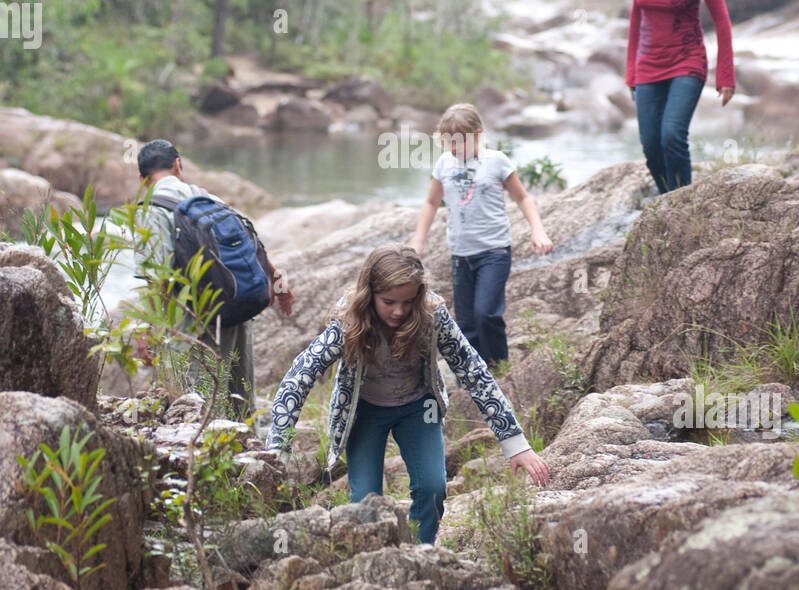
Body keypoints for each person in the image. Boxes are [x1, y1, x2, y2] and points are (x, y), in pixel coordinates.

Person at [266, 245, 551, 544]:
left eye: (408, 301)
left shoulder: (432, 315)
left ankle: (422, 552)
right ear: (369, 294)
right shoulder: (348, 321)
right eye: (388, 302)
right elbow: (299, 376)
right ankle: (373, 558)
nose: (399, 311)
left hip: (419, 408)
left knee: (433, 488)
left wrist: (514, 442)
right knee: (366, 502)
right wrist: (278, 447)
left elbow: (472, 371)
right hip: (364, 412)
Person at [133, 139, 294, 421]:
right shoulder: (207, 198)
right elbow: (250, 238)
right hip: (236, 306)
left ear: (142, 179)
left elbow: (156, 275)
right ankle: (253, 459)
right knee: (240, 396)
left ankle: (213, 457)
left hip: (196, 318)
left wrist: (147, 330)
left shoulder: (151, 209)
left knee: (200, 402)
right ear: (178, 166)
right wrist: (277, 280)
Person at [411, 103, 553, 370]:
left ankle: (500, 368)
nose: (454, 147)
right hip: (460, 254)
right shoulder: (444, 164)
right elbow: (431, 203)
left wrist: (538, 229)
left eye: (460, 141)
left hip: (494, 251)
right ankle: (476, 373)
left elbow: (522, 197)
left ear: (477, 135)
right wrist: (419, 240)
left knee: (486, 313)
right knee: (465, 322)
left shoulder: (497, 161)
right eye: (448, 141)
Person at [626, 0, 736, 193]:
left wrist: (725, 75)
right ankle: (667, 200)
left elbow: (721, 17)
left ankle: (684, 202)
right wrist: (630, 73)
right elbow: (637, 16)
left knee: (672, 135)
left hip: (687, 61)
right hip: (648, 63)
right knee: (651, 145)